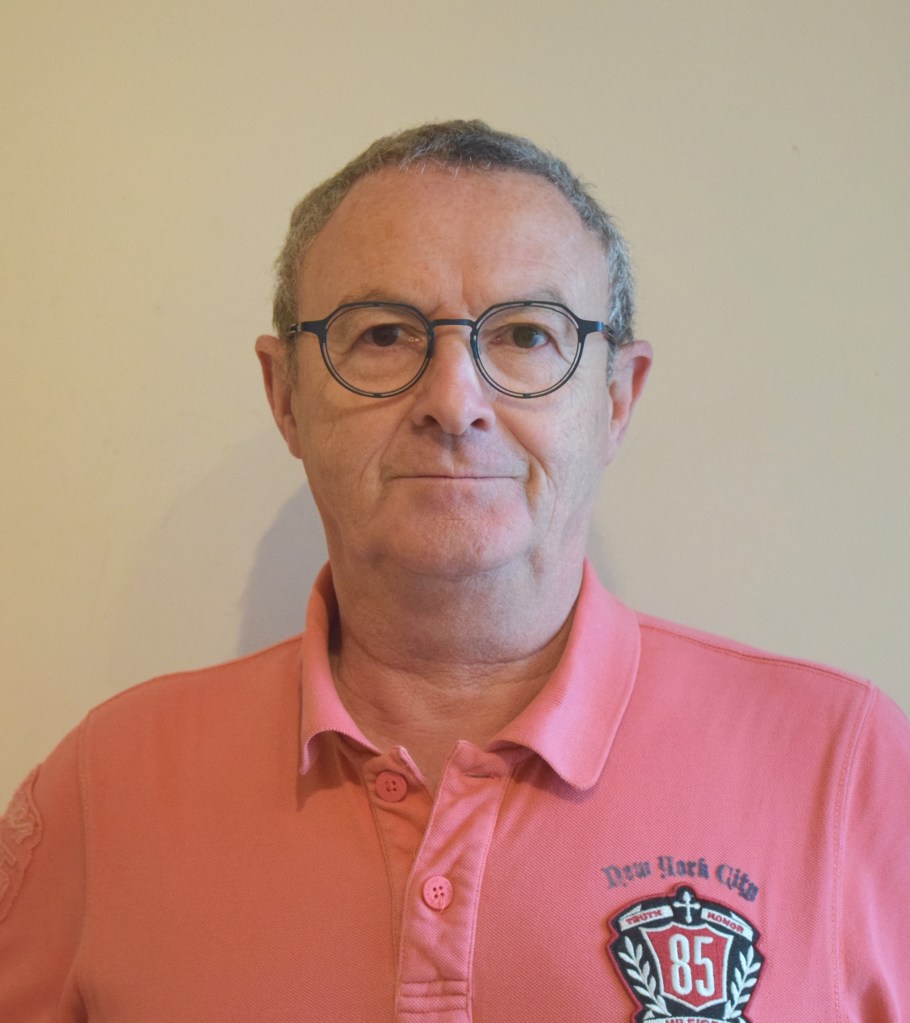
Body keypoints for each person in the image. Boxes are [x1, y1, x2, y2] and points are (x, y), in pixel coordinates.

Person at [1, 120, 907, 1022]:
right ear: (285, 396)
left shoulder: (844, 769)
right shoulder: (105, 786)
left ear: (618, 398)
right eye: (383, 334)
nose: (453, 401)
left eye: (526, 333)